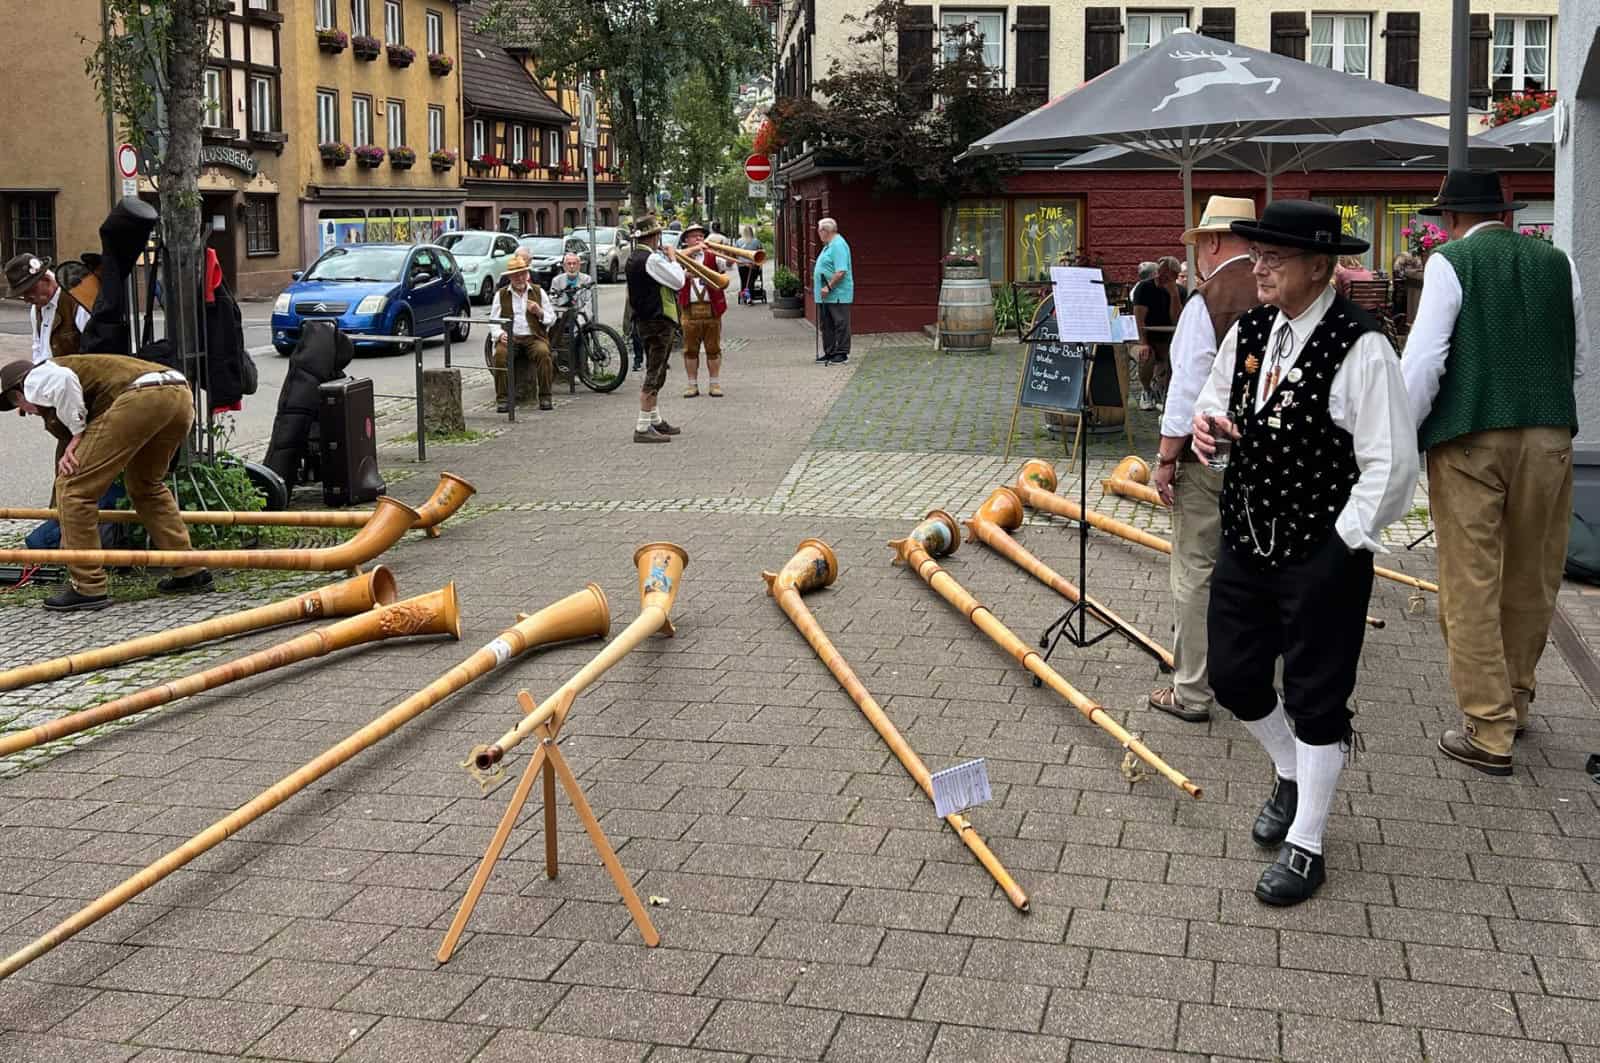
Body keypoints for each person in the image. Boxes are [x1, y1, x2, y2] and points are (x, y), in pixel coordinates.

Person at [1191, 200, 1419, 906]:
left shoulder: (1362, 343)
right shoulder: (1253, 328)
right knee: (1233, 676)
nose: (1258, 265)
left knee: (1317, 696)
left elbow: (1393, 462)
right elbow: (1216, 400)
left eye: (1275, 257)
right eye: (1257, 253)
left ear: (1320, 267)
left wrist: (1343, 541)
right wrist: (1209, 431)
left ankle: (1308, 842)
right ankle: (1290, 771)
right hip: (1247, 539)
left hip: (1323, 548)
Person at [1402, 169, 1587, 776]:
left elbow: (1426, 360)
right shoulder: (1559, 262)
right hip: (1551, 433)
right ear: (1504, 213)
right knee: (1533, 573)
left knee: (1471, 579)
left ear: (1448, 218)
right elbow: (1577, 356)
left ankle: (1487, 727)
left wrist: (1403, 433)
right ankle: (1519, 699)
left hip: (1470, 436)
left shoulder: (1451, 262)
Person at [1148, 195, 1261, 724]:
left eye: (1201, 245)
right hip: (1273, 459)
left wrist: (1166, 458)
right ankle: (1262, 679)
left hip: (1210, 454)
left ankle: (1192, 689)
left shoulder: (1206, 300)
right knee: (1262, 564)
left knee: (1196, 567)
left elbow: (1187, 390)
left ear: (1212, 242)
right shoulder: (1285, 291)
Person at [0, 354, 212, 611]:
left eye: (16, 402)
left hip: (141, 397)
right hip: (177, 392)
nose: (25, 410)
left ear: (18, 391)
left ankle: (87, 586)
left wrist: (78, 434)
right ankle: (189, 569)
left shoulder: (39, 375)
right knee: (146, 486)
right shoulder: (83, 377)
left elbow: (64, 381)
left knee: (74, 489)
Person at [624, 214, 686, 443]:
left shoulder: (635, 257)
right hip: (658, 321)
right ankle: (642, 426)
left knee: (657, 370)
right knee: (654, 372)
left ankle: (655, 419)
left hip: (645, 320)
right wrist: (674, 259)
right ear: (656, 236)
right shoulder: (651, 260)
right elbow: (678, 281)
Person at [489, 250, 556, 413]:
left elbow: (552, 318)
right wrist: (499, 334)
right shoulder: (501, 294)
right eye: (515, 275)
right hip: (510, 337)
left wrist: (539, 312)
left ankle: (545, 396)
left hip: (533, 337)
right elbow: (493, 321)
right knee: (499, 356)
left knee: (544, 353)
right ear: (510, 277)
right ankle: (503, 399)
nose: (519, 278)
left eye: (522, 274)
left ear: (527, 274)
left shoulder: (538, 291)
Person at [678, 223, 733, 398]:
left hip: (711, 309)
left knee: (713, 348)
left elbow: (728, 264)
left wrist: (727, 250)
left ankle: (714, 384)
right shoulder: (679, 257)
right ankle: (691, 384)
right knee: (690, 350)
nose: (699, 239)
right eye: (694, 236)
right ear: (686, 240)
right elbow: (672, 269)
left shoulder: (712, 255)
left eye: (701, 236)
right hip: (689, 310)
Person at [6, 254, 91, 364]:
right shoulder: (36, 307)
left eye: (29, 291)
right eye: (22, 294)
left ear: (47, 280)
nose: (26, 299)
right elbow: (38, 347)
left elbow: (94, 350)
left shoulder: (76, 301)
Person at [1131, 256, 1183, 410]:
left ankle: (1164, 391)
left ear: (1174, 276)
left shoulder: (1180, 291)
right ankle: (1146, 390)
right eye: (1159, 272)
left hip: (1166, 339)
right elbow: (1139, 319)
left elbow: (1177, 322)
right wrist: (1143, 343)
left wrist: (1174, 295)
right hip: (1143, 337)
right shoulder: (1144, 288)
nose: (1160, 277)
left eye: (1166, 274)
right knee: (1146, 355)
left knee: (1178, 356)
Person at [814, 217, 853, 365]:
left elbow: (841, 271)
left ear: (825, 231)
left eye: (819, 230)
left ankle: (842, 353)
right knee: (827, 324)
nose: (818, 233)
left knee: (840, 322)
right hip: (825, 295)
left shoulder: (838, 245)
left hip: (837, 294)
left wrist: (828, 286)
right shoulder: (828, 245)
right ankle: (829, 352)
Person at [735, 224, 763, 304]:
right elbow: (761, 252)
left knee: (743, 281)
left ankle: (745, 297)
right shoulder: (756, 241)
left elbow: (736, 253)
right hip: (753, 265)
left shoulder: (739, 241)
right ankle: (749, 297)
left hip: (742, 265)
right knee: (751, 281)